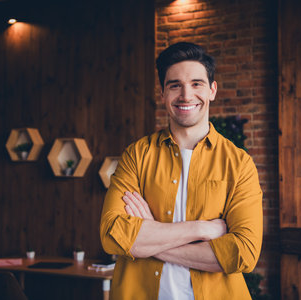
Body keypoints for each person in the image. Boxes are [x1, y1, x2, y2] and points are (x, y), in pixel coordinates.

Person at [100, 42, 263, 300]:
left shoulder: (239, 163)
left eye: (196, 83)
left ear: (212, 90)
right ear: (163, 93)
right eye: (175, 85)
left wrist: (149, 237)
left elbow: (243, 253)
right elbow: (112, 234)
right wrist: (200, 229)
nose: (186, 95)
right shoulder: (137, 155)